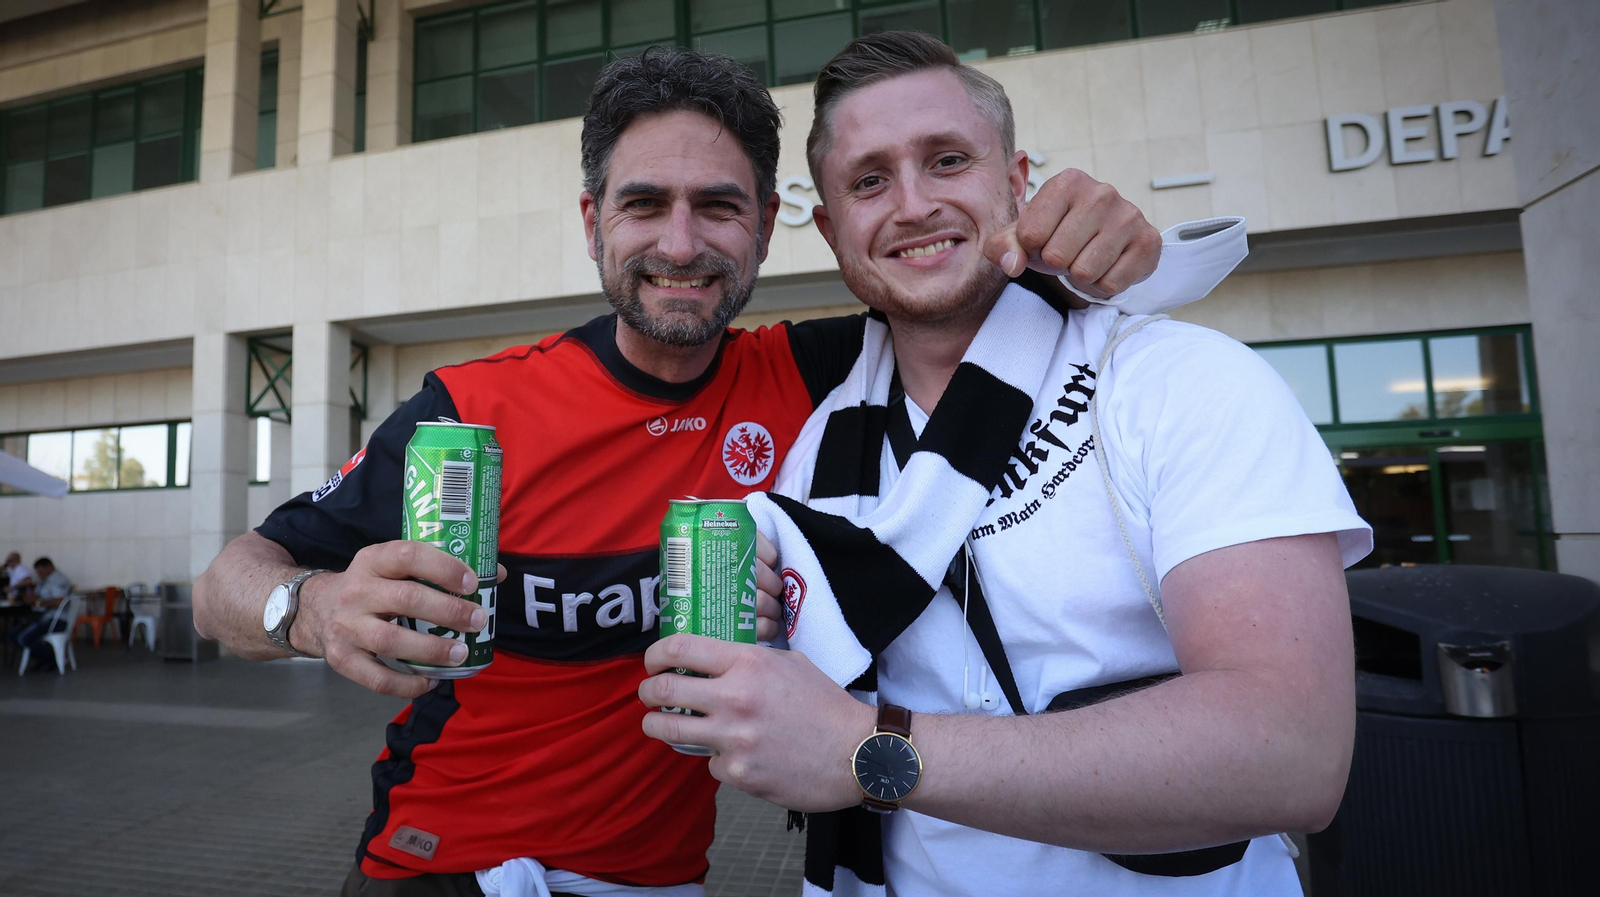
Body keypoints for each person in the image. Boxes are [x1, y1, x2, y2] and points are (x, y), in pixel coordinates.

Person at [192, 47, 1241, 897]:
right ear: (592, 218)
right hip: (436, 869)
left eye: (720, 208)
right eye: (644, 204)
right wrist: (308, 607)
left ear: (773, 225)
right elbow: (226, 583)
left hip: (659, 881)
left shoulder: (819, 374)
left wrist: (1093, 237)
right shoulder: (473, 407)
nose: (682, 244)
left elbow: (962, 286)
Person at [635, 32, 1372, 897]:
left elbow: (1291, 753)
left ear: (1016, 181)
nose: (912, 204)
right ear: (832, 228)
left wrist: (871, 749)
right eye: (870, 180)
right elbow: (804, 683)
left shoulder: (1176, 380)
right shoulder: (816, 458)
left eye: (947, 160)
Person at [11, 557, 72, 668]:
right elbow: (37, 596)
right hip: (42, 617)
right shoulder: (45, 580)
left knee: (23, 638)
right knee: (13, 634)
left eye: (41, 572)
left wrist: (38, 602)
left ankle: (52, 659)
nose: (39, 575)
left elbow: (60, 601)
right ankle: (44, 658)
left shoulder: (58, 580)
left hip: (56, 620)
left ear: (49, 568)